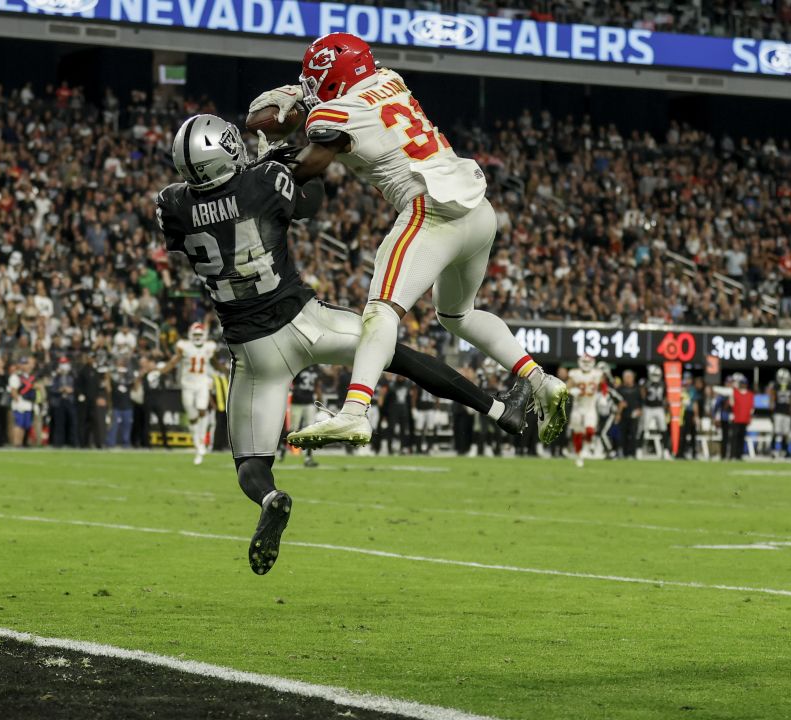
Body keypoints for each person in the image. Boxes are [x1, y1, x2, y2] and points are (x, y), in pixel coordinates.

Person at [155, 114, 529, 575]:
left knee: (250, 464)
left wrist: (265, 171)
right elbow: (310, 200)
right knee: (399, 357)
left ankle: (271, 499)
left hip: (253, 351)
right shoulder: (263, 181)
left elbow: (209, 211)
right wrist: (285, 163)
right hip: (307, 320)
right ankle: (499, 410)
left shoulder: (172, 205)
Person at [252, 34, 568, 450]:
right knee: (457, 314)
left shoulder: (335, 113)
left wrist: (273, 158)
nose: (308, 85)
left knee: (381, 309)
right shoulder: (390, 79)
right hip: (477, 209)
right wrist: (304, 104)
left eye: (314, 78)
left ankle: (355, 412)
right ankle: (540, 380)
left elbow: (306, 166)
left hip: (431, 208)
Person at [162, 323, 217, 464]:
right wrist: (163, 370)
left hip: (202, 383)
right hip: (187, 385)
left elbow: (215, 362)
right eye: (196, 335)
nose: (198, 337)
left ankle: (202, 443)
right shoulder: (184, 346)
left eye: (200, 335)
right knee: (192, 417)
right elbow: (175, 360)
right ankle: (197, 444)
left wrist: (225, 371)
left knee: (202, 410)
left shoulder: (209, 347)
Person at [567, 355, 602, 467]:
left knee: (590, 430)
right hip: (578, 407)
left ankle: (587, 447)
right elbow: (566, 387)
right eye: (584, 362)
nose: (586, 364)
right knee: (578, 432)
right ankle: (579, 455)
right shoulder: (574, 374)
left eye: (588, 362)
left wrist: (604, 396)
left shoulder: (597, 374)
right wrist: (571, 390)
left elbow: (604, 385)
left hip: (590, 407)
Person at [285, 366, 321, 466]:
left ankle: (308, 457)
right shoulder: (300, 367)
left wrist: (319, 400)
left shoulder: (315, 368)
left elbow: (317, 385)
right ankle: (283, 450)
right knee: (293, 428)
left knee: (311, 429)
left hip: (309, 401)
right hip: (297, 401)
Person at [8, 357, 37, 447]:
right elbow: (13, 390)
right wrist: (18, 401)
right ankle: (16, 442)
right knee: (19, 423)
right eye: (23, 364)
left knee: (25, 424)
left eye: (26, 363)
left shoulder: (29, 376)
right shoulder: (16, 376)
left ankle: (21, 442)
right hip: (20, 402)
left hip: (28, 403)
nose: (25, 366)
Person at [641, 365, 667, 458]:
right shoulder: (647, 383)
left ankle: (666, 450)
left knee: (663, 429)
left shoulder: (663, 384)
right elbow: (643, 395)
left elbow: (665, 397)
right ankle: (639, 449)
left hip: (659, 408)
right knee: (644, 428)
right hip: (648, 407)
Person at [769, 368, 791, 459]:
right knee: (776, 432)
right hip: (778, 412)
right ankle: (774, 450)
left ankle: (784, 451)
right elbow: (772, 398)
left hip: (786, 413)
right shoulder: (776, 386)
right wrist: (772, 410)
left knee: (785, 433)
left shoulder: (790, 386)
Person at [727, 374, 754, 461]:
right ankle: (732, 455)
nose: (743, 385)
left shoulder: (750, 395)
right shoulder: (735, 393)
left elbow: (751, 408)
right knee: (734, 438)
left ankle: (739, 455)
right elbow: (731, 403)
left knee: (741, 438)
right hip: (736, 419)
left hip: (744, 419)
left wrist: (750, 418)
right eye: (741, 383)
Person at [617, 370, 641, 459]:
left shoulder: (637, 388)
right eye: (626, 377)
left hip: (634, 415)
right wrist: (619, 410)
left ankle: (632, 453)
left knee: (633, 434)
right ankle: (623, 452)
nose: (628, 379)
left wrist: (639, 410)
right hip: (623, 414)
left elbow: (641, 401)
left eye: (629, 377)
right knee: (622, 434)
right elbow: (616, 400)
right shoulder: (620, 389)